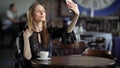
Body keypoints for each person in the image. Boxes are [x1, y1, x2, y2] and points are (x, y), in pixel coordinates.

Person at [15, 0, 79, 68]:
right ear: (31, 15)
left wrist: (76, 15)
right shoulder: (25, 34)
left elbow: (67, 31)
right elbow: (27, 58)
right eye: (38, 11)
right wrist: (26, 38)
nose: (42, 12)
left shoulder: (49, 31)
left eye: (43, 11)